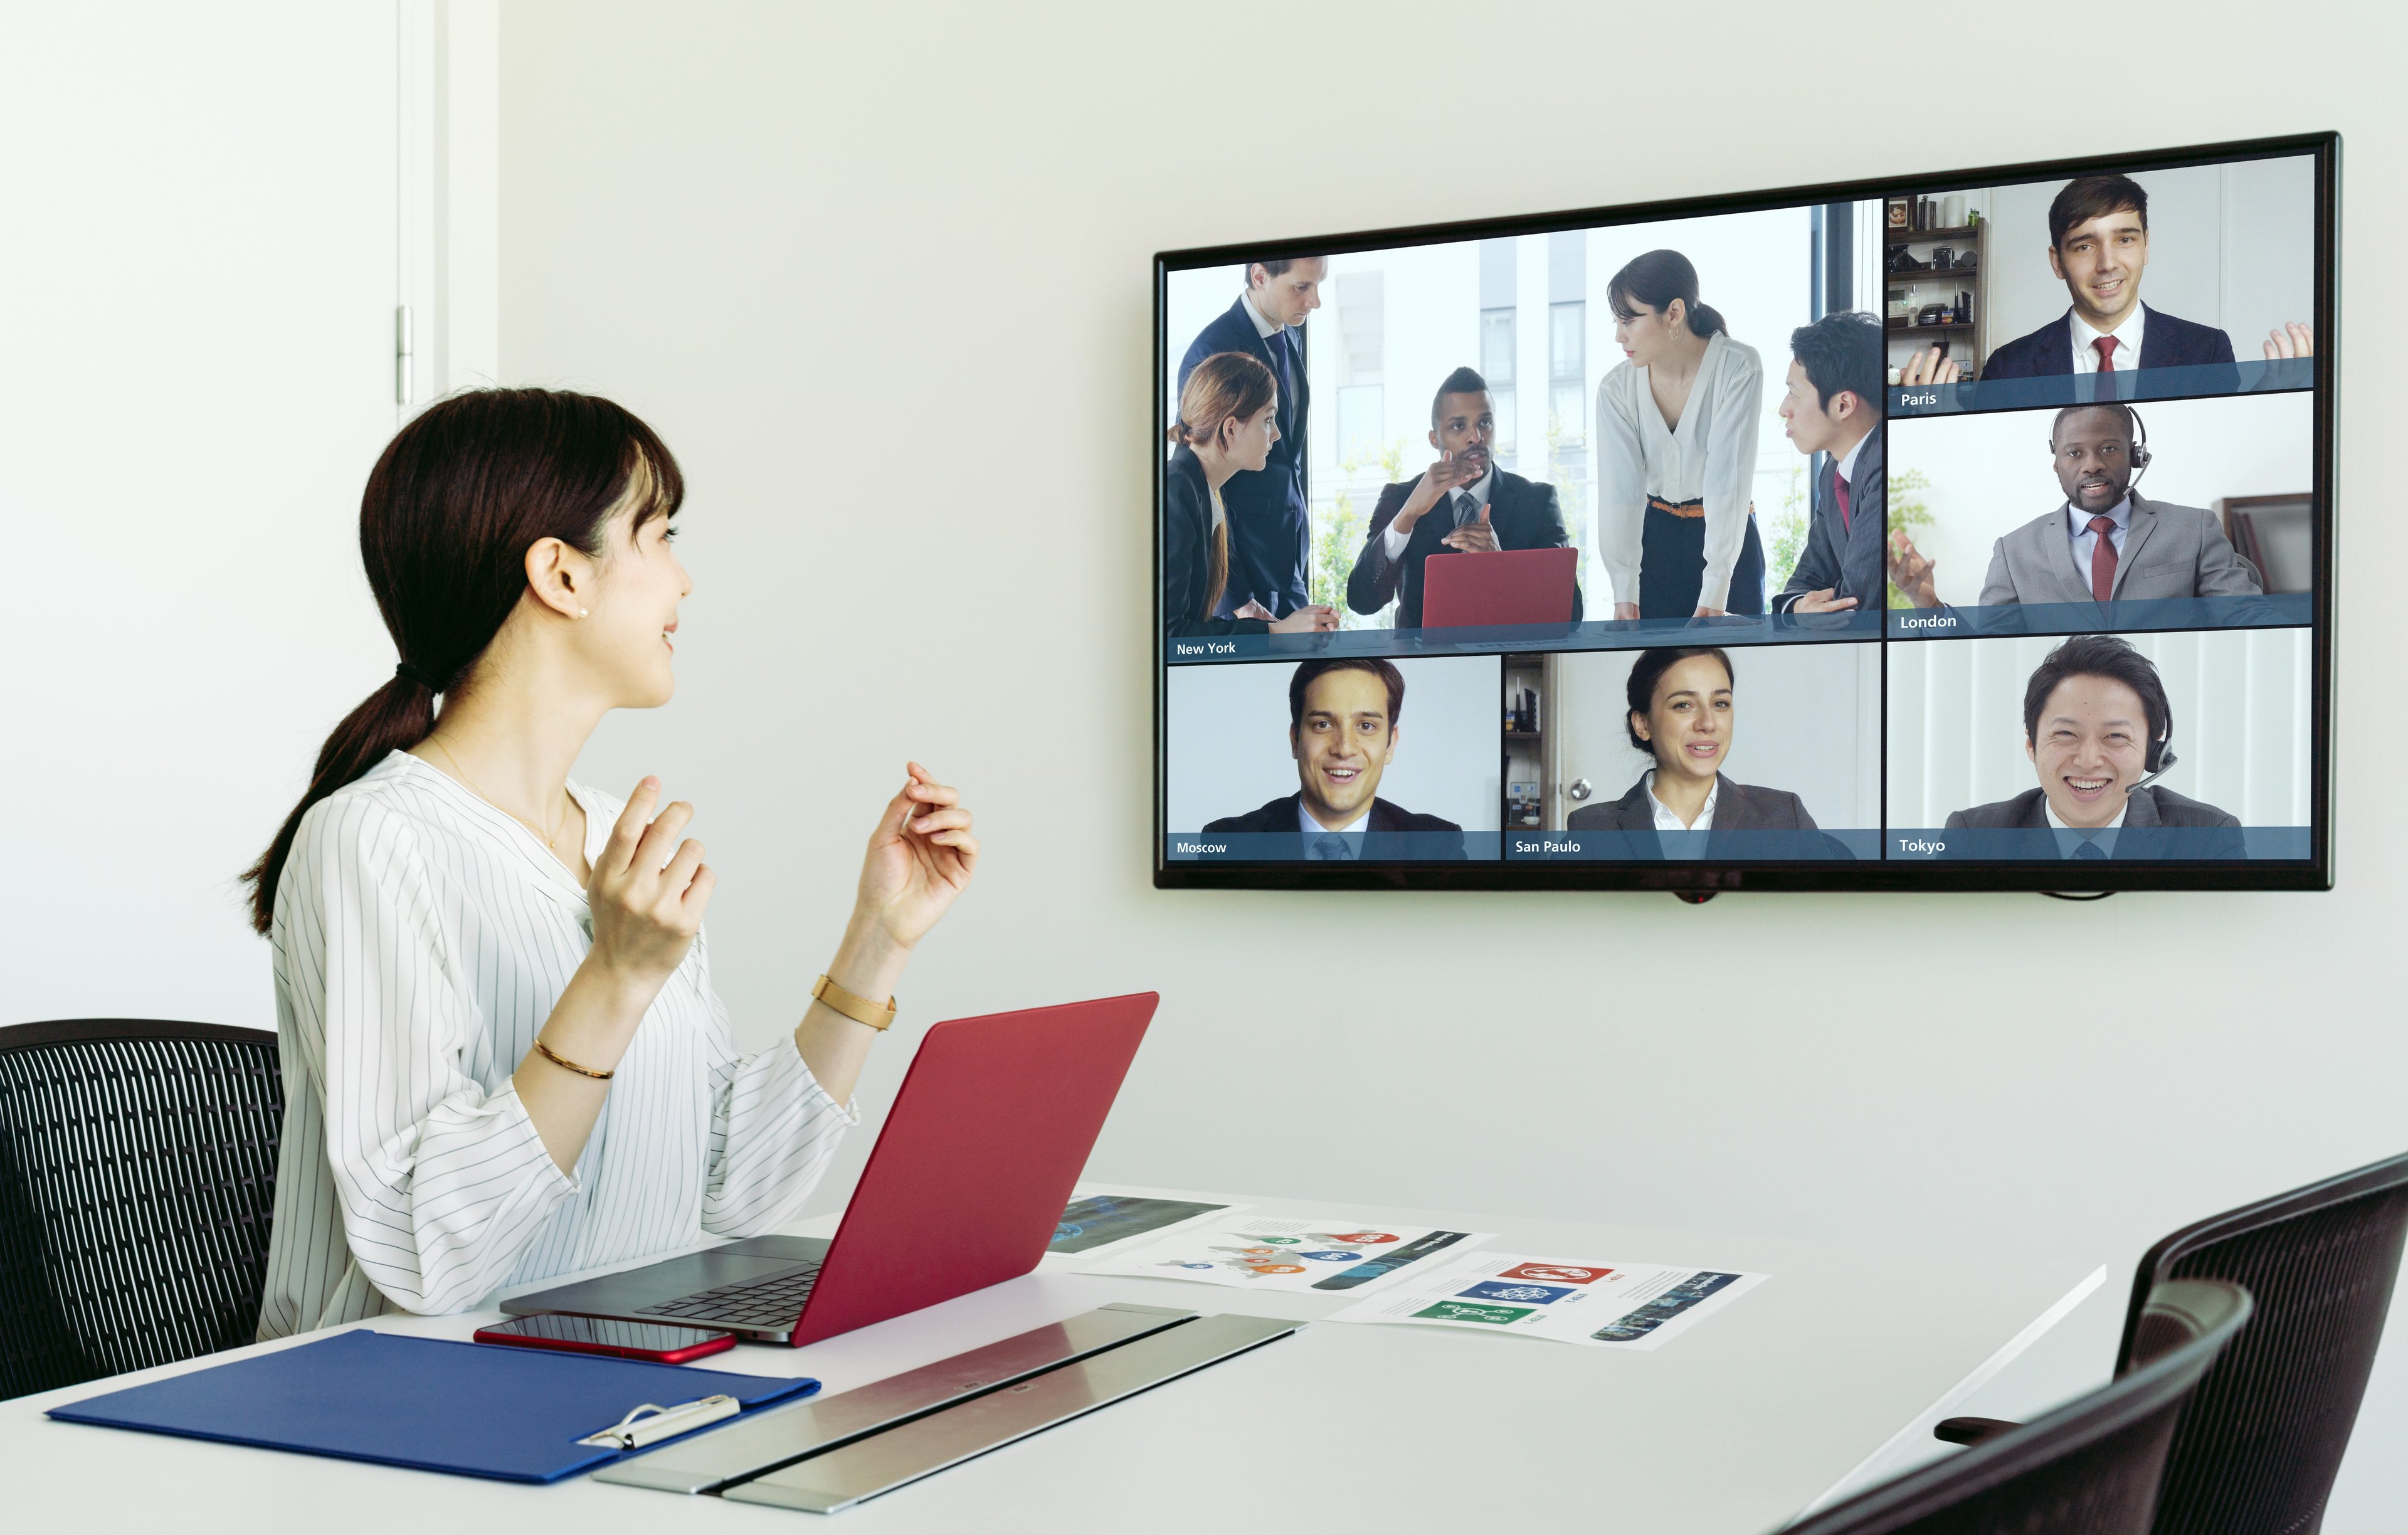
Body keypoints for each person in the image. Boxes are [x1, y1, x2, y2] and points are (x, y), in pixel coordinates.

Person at [244, 389, 980, 1337]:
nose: (684, 582)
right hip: (414, 1407)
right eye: (659, 534)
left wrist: (877, 940)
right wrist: (615, 978)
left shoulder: (609, 838)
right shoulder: (375, 840)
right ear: (561, 576)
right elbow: (431, 1255)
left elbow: (725, 1189)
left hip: (623, 1372)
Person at [1901, 174, 2313, 387]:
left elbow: (2228, 456)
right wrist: (1932, 419)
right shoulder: (2010, 368)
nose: (2108, 264)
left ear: (2146, 247)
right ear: (2057, 262)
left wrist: (2280, 403)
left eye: (2125, 239)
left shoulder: (2206, 351)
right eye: (2084, 246)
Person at [1886, 404, 2262, 609]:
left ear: (2136, 455)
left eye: (2109, 449)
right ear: (2057, 464)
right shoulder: (2014, 551)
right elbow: (1986, 648)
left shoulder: (2194, 528)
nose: (2092, 464)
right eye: (2074, 453)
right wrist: (1929, 604)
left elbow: (2247, 620)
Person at [1944, 633, 2241, 856]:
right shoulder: (1973, 838)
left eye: (2115, 737)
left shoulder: (2208, 837)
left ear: (2153, 753)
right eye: (2066, 734)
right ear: (2031, 745)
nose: (2088, 761)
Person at [1595, 251, 1766, 619]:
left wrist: (1716, 589)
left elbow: (1727, 483)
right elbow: (1620, 494)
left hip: (1729, 540)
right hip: (1654, 542)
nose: (1618, 335)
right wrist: (1624, 590)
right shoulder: (1615, 389)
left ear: (1674, 312)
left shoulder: (1738, 366)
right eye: (1616, 321)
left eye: (1630, 320)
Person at [1344, 367, 1582, 627]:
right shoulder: (1401, 499)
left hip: (1511, 660)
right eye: (1459, 426)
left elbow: (1571, 614)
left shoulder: (1537, 501)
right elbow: (1361, 601)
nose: (1476, 437)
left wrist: (1502, 566)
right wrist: (1409, 514)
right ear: (1435, 440)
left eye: (1485, 423)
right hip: (1424, 662)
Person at [1178, 257, 1326, 618]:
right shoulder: (1212, 351)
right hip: (1239, 571)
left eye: (1319, 285)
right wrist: (1238, 600)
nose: (1315, 302)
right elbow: (1205, 480)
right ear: (1260, 276)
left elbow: (1287, 454)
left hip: (1287, 557)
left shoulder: (1290, 335)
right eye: (1301, 287)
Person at [1201, 659, 1465, 859]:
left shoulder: (1439, 845)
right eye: (1324, 724)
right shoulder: (1229, 842)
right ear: (1295, 740)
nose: (1345, 748)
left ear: (1390, 744)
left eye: (1366, 726)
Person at [1164, 352, 1336, 638]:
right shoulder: (1176, 494)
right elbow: (1174, 638)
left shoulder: (1194, 488)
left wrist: (1276, 629)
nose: (1277, 434)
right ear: (1231, 428)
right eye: (1269, 419)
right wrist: (1276, 633)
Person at [1566, 648, 1817, 843]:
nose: (1708, 723)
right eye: (1683, 705)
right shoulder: (1590, 828)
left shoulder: (1785, 816)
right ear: (1643, 724)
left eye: (1720, 703)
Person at [1772, 312, 1886, 616]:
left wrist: (1804, 610)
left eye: (1794, 394)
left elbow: (1857, 607)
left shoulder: (1886, 466)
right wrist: (1797, 608)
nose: (1784, 409)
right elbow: (1805, 580)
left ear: (1843, 405)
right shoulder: (1833, 472)